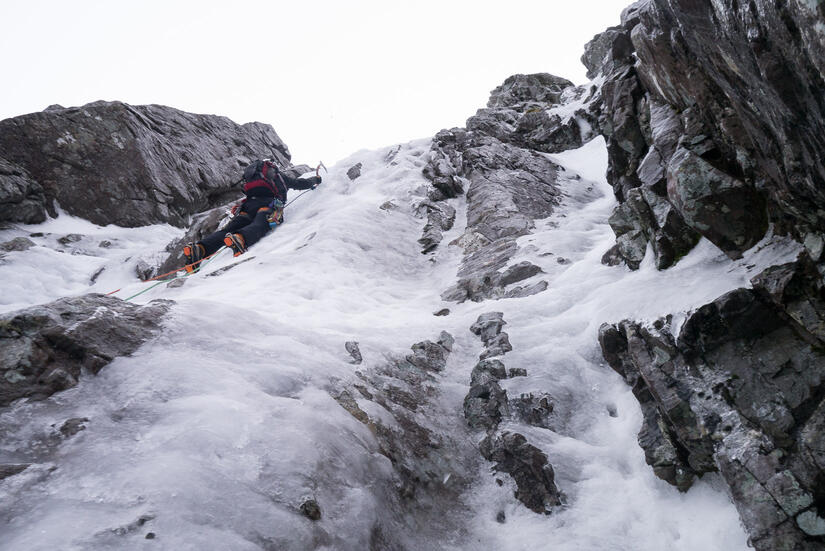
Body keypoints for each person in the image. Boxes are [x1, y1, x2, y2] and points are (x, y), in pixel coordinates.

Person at [183, 159, 321, 263]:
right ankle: (241, 239)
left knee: (227, 231)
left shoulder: (253, 176)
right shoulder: (277, 176)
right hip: (268, 203)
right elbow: (298, 184)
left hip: (248, 205)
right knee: (261, 224)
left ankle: (199, 249)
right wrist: (315, 179)